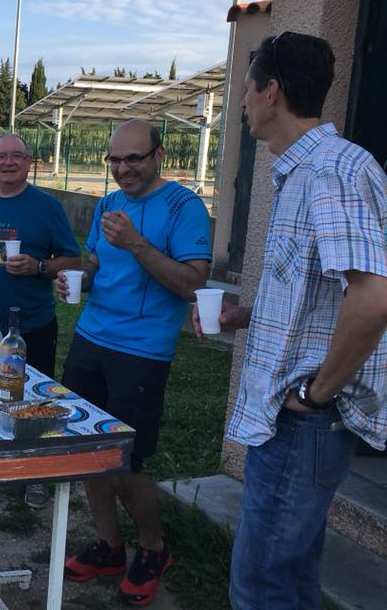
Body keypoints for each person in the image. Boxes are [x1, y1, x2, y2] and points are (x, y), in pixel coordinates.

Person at [192, 32, 387, 610]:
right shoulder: (306, 172)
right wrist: (247, 315)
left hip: (302, 422)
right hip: (294, 419)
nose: (242, 101)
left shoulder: (332, 172)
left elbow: (373, 299)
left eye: (246, 88)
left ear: (271, 91)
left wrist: (315, 395)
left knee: (262, 588)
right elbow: (324, 293)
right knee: (289, 577)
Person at [57, 118, 211, 606]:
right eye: (115, 160)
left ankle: (153, 549)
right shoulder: (108, 204)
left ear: (158, 155)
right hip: (90, 339)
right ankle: (108, 545)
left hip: (141, 352)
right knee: (85, 448)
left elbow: (192, 283)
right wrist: (78, 279)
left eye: (133, 158)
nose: (123, 169)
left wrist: (137, 243)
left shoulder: (184, 207)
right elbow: (95, 262)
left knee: (125, 461)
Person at [0, 132, 81, 509]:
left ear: (28, 163)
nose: (8, 162)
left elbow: (72, 260)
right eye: (0, 157)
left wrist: (38, 267)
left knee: (31, 400)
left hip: (30, 326)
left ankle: (33, 474)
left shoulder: (47, 207)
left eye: (16, 156)